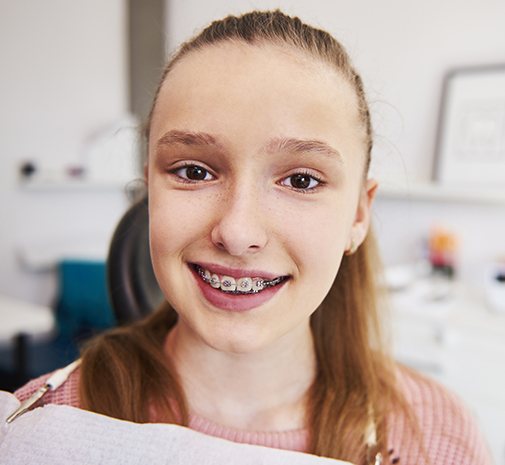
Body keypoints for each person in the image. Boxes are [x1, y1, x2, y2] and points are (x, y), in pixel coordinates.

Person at [14, 10, 491, 465]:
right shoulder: (36, 426)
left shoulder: (438, 438)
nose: (238, 233)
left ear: (359, 214)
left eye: (301, 181)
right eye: (194, 171)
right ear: (150, 190)